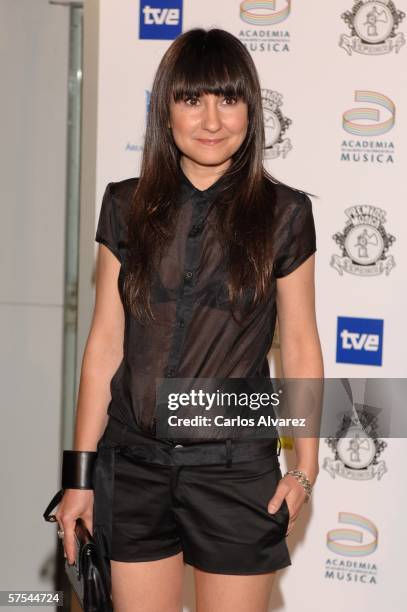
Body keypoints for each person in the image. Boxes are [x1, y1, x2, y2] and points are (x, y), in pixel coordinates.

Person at [55, 27, 323, 612]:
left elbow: (299, 345)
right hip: (133, 467)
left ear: (251, 108)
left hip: (233, 471)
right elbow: (105, 344)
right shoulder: (124, 206)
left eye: (228, 98)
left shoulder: (284, 213)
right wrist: (79, 477)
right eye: (191, 98)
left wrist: (305, 465)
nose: (211, 119)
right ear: (165, 111)